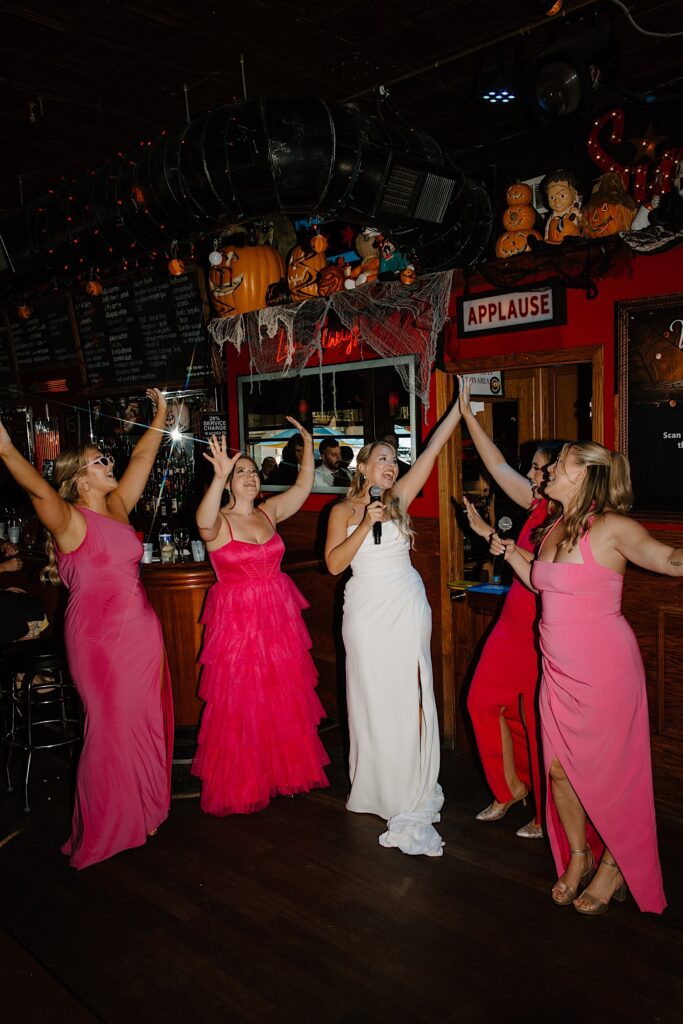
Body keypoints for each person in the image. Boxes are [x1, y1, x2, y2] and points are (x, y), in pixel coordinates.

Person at [496, 441, 681, 914]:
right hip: (557, 672)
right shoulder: (555, 525)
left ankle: (616, 864)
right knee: (558, 771)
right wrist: (509, 552)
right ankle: (579, 856)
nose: (549, 469)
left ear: (585, 476)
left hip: (605, 672)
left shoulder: (614, 527)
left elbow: (670, 561)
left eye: (559, 463)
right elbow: (543, 583)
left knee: (614, 775)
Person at [0, 390, 173, 869]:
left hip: (140, 632)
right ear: (79, 480)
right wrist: (7, 450)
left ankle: (142, 809)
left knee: (141, 724)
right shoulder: (69, 519)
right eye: (100, 461)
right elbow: (38, 489)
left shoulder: (117, 506)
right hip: (99, 639)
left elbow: (142, 454)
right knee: (109, 729)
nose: (110, 463)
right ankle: (106, 828)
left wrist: (160, 414)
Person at [324, 399, 463, 856]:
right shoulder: (342, 511)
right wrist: (366, 521)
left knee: (409, 692)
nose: (390, 465)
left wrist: (456, 413)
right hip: (365, 610)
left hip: (406, 603)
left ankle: (409, 781)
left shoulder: (399, 498)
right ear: (362, 468)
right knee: (370, 694)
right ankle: (375, 786)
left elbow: (429, 453)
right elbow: (333, 564)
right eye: (381, 459)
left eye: (392, 458)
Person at [192, 417, 329, 815]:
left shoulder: (269, 513)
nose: (250, 477)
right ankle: (245, 782)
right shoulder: (220, 522)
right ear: (229, 482)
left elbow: (303, 488)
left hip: (277, 621)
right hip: (237, 626)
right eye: (241, 473)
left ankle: (280, 774)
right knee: (242, 702)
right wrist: (218, 477)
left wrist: (307, 445)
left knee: (281, 698)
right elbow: (202, 523)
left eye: (253, 471)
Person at [458, 375, 565, 839]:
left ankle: (545, 812)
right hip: (510, 622)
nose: (534, 477)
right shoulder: (537, 505)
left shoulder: (571, 518)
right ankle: (511, 788)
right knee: (482, 701)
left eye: (542, 470)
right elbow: (498, 465)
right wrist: (468, 416)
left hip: (544, 629)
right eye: (535, 469)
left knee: (533, 722)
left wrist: (494, 541)